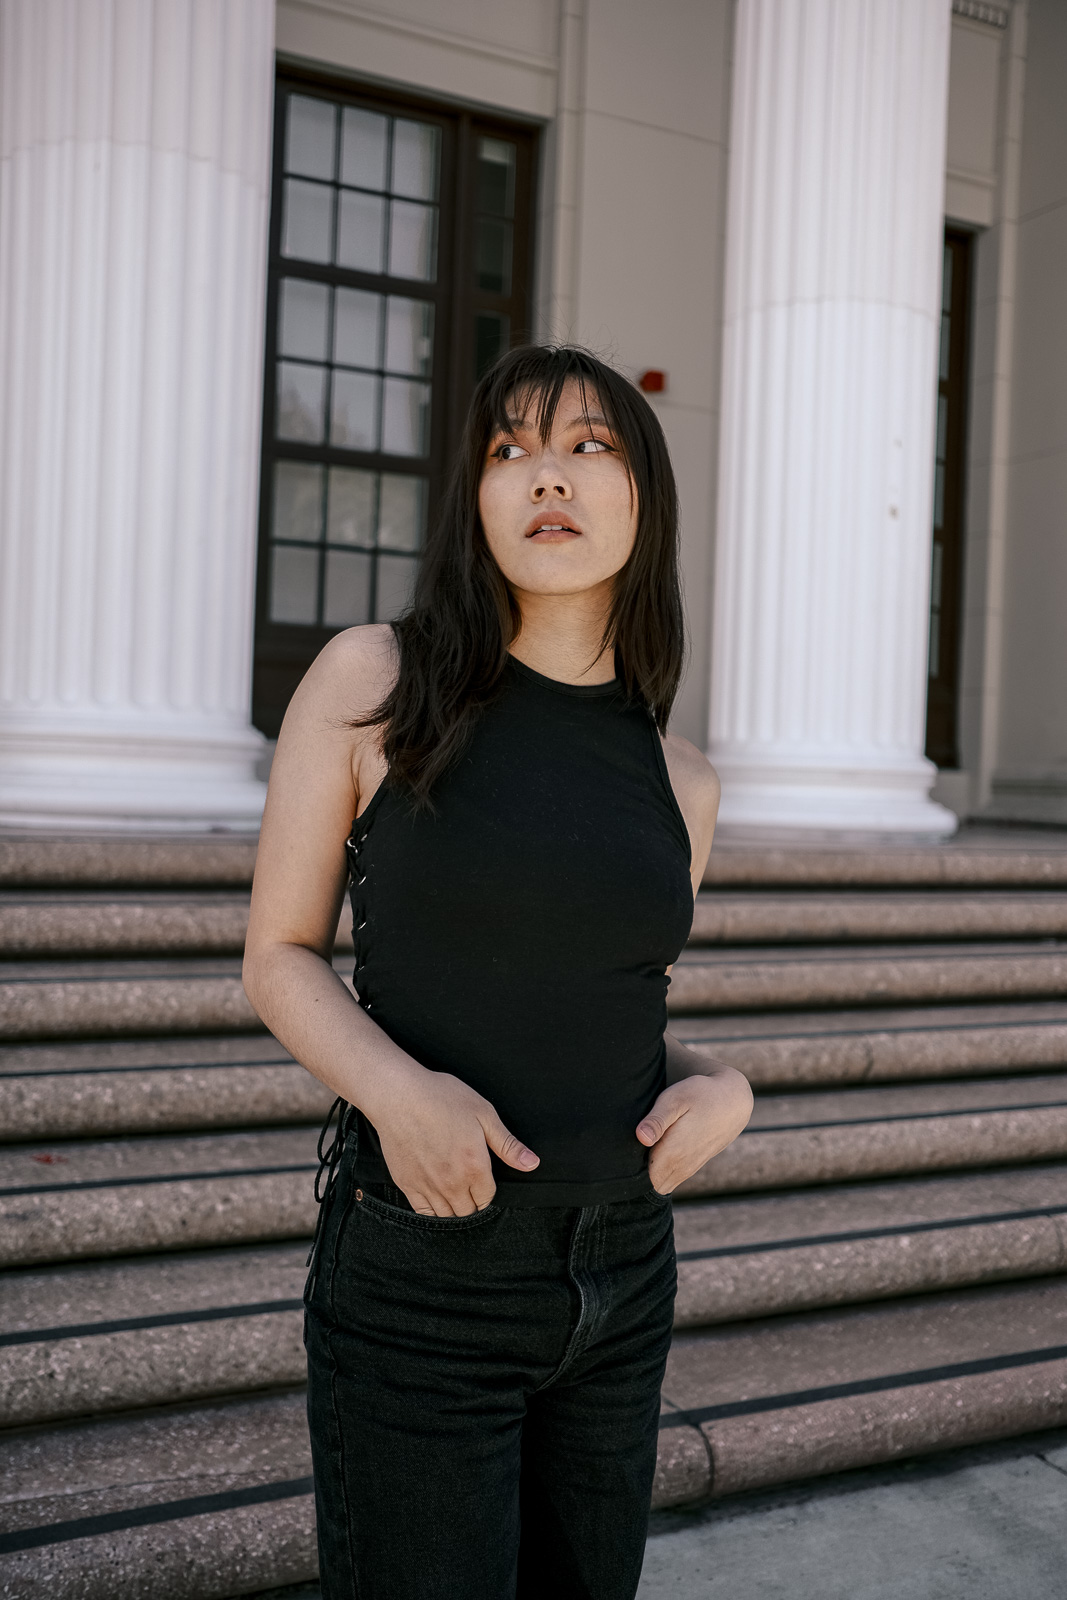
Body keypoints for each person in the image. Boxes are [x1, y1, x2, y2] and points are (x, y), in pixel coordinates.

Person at [242, 344, 753, 1600]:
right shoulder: (378, 680)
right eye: (508, 448)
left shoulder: (681, 778)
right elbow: (279, 955)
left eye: (589, 445)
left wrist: (722, 1083)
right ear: (474, 501)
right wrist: (399, 1092)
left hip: (622, 1271)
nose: (546, 474)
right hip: (425, 1275)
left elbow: (603, 1002)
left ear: (645, 498)